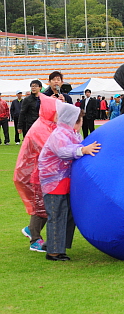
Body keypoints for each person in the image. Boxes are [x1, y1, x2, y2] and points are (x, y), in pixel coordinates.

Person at [39, 102, 101, 261]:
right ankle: (54, 252)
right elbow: (63, 151)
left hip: (66, 181)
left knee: (68, 214)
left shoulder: (73, 134)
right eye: (80, 121)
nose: (81, 124)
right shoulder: (59, 134)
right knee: (58, 214)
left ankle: (55, 244)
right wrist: (82, 150)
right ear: (74, 121)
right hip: (54, 182)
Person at [14, 93, 58, 252]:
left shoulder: (47, 125)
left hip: (41, 174)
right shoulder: (41, 129)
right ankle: (35, 239)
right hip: (35, 175)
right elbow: (51, 150)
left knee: (45, 206)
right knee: (41, 207)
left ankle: (30, 229)